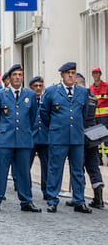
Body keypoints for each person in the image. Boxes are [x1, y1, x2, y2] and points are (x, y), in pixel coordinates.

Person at [39, 62, 91, 213]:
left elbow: (84, 113)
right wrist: (55, 127)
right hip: (58, 137)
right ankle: (52, 200)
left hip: (76, 137)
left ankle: (79, 201)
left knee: (78, 170)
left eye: (73, 72)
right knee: (55, 169)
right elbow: (44, 113)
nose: (70, 75)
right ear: (61, 74)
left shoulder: (82, 92)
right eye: (68, 72)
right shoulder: (51, 91)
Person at [0, 64, 41, 212]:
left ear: (23, 77)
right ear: (10, 78)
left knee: (24, 171)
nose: (17, 77)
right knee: (0, 171)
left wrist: (25, 131)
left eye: (20, 75)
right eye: (15, 75)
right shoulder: (0, 94)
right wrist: (3, 130)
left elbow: (33, 116)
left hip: (23, 139)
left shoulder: (29, 94)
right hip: (6, 139)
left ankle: (26, 201)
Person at [75, 73, 106, 208]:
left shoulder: (79, 97)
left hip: (80, 135)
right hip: (93, 135)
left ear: (76, 84)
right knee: (93, 166)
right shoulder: (93, 96)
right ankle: (98, 199)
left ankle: (79, 198)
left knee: (78, 167)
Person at [29, 76, 50, 200]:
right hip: (31, 137)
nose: (38, 88)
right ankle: (26, 190)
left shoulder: (46, 99)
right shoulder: (27, 99)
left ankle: (46, 191)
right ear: (31, 87)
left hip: (44, 138)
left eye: (40, 86)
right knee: (26, 166)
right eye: (35, 86)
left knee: (46, 166)